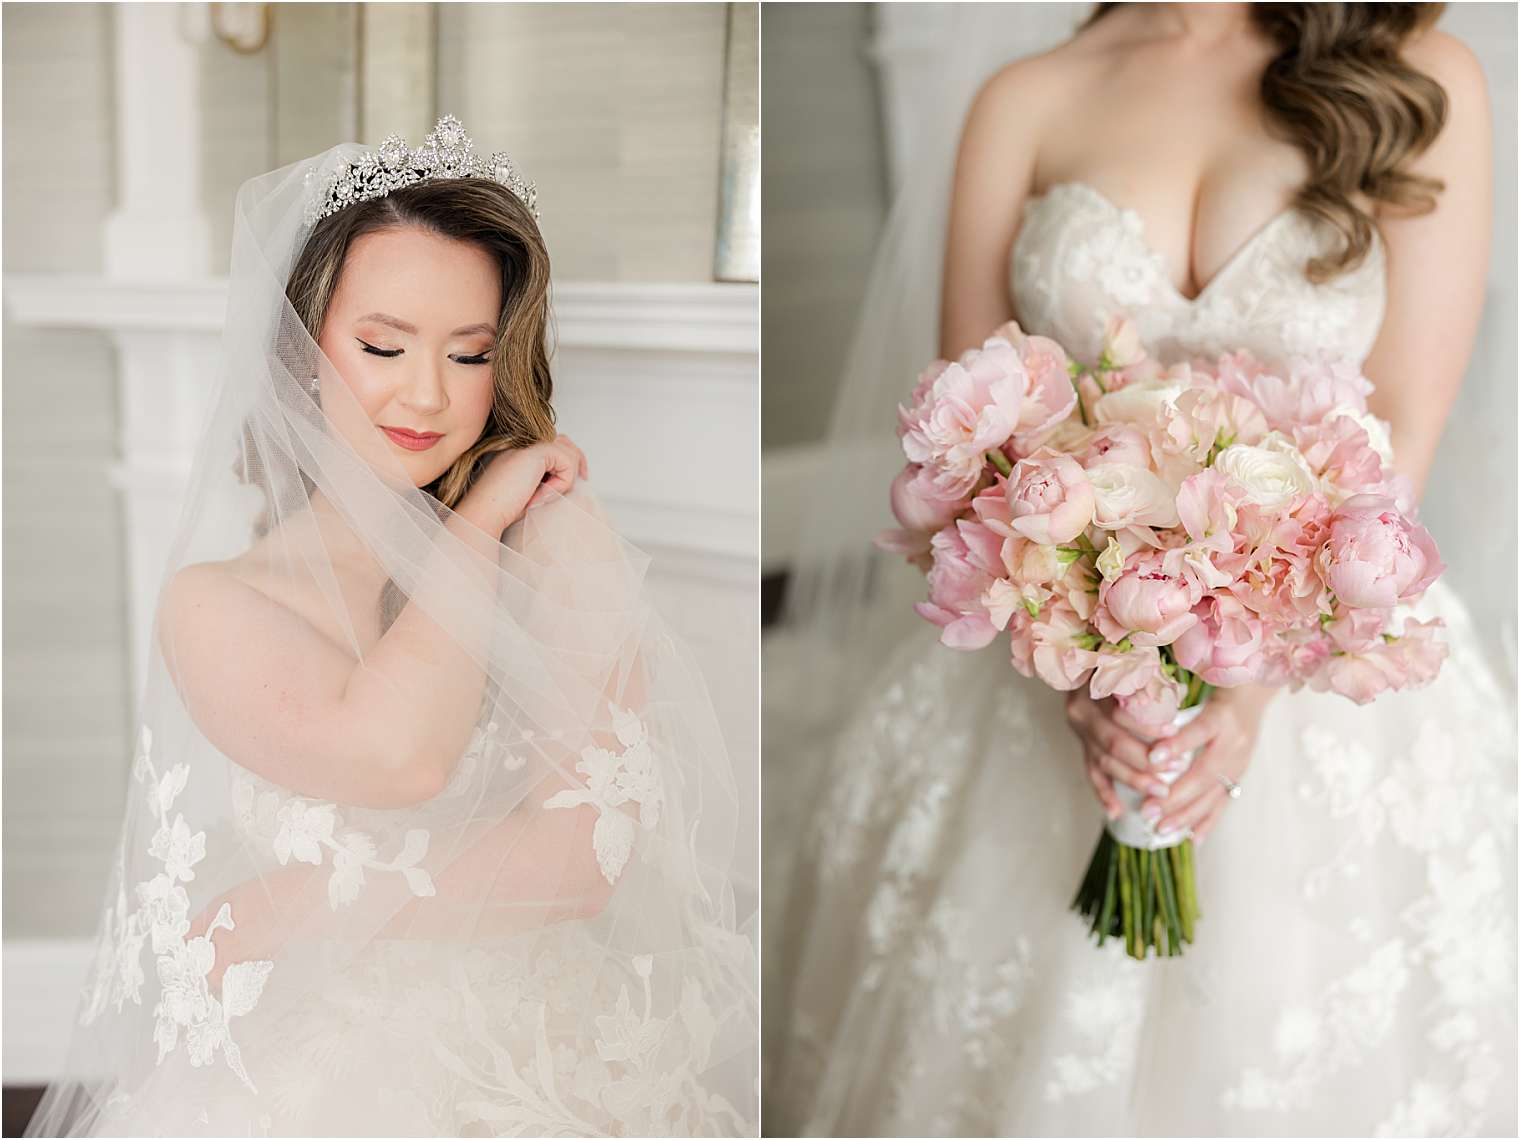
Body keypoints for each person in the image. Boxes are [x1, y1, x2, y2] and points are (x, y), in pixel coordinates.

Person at [764, 5, 1515, 1135]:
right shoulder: (1026, 98)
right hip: (1053, 659)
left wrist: (1257, 669)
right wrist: (1079, 666)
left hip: (1325, 654)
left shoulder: (1415, 78)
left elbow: (1404, 416)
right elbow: (971, 431)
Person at [28, 116, 758, 1138]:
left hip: (541, 1053)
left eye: (468, 354)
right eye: (382, 345)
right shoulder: (219, 602)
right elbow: (395, 752)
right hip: (311, 1060)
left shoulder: (550, 541)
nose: (426, 393)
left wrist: (293, 903)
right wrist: (477, 525)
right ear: (297, 346)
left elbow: (583, 861)